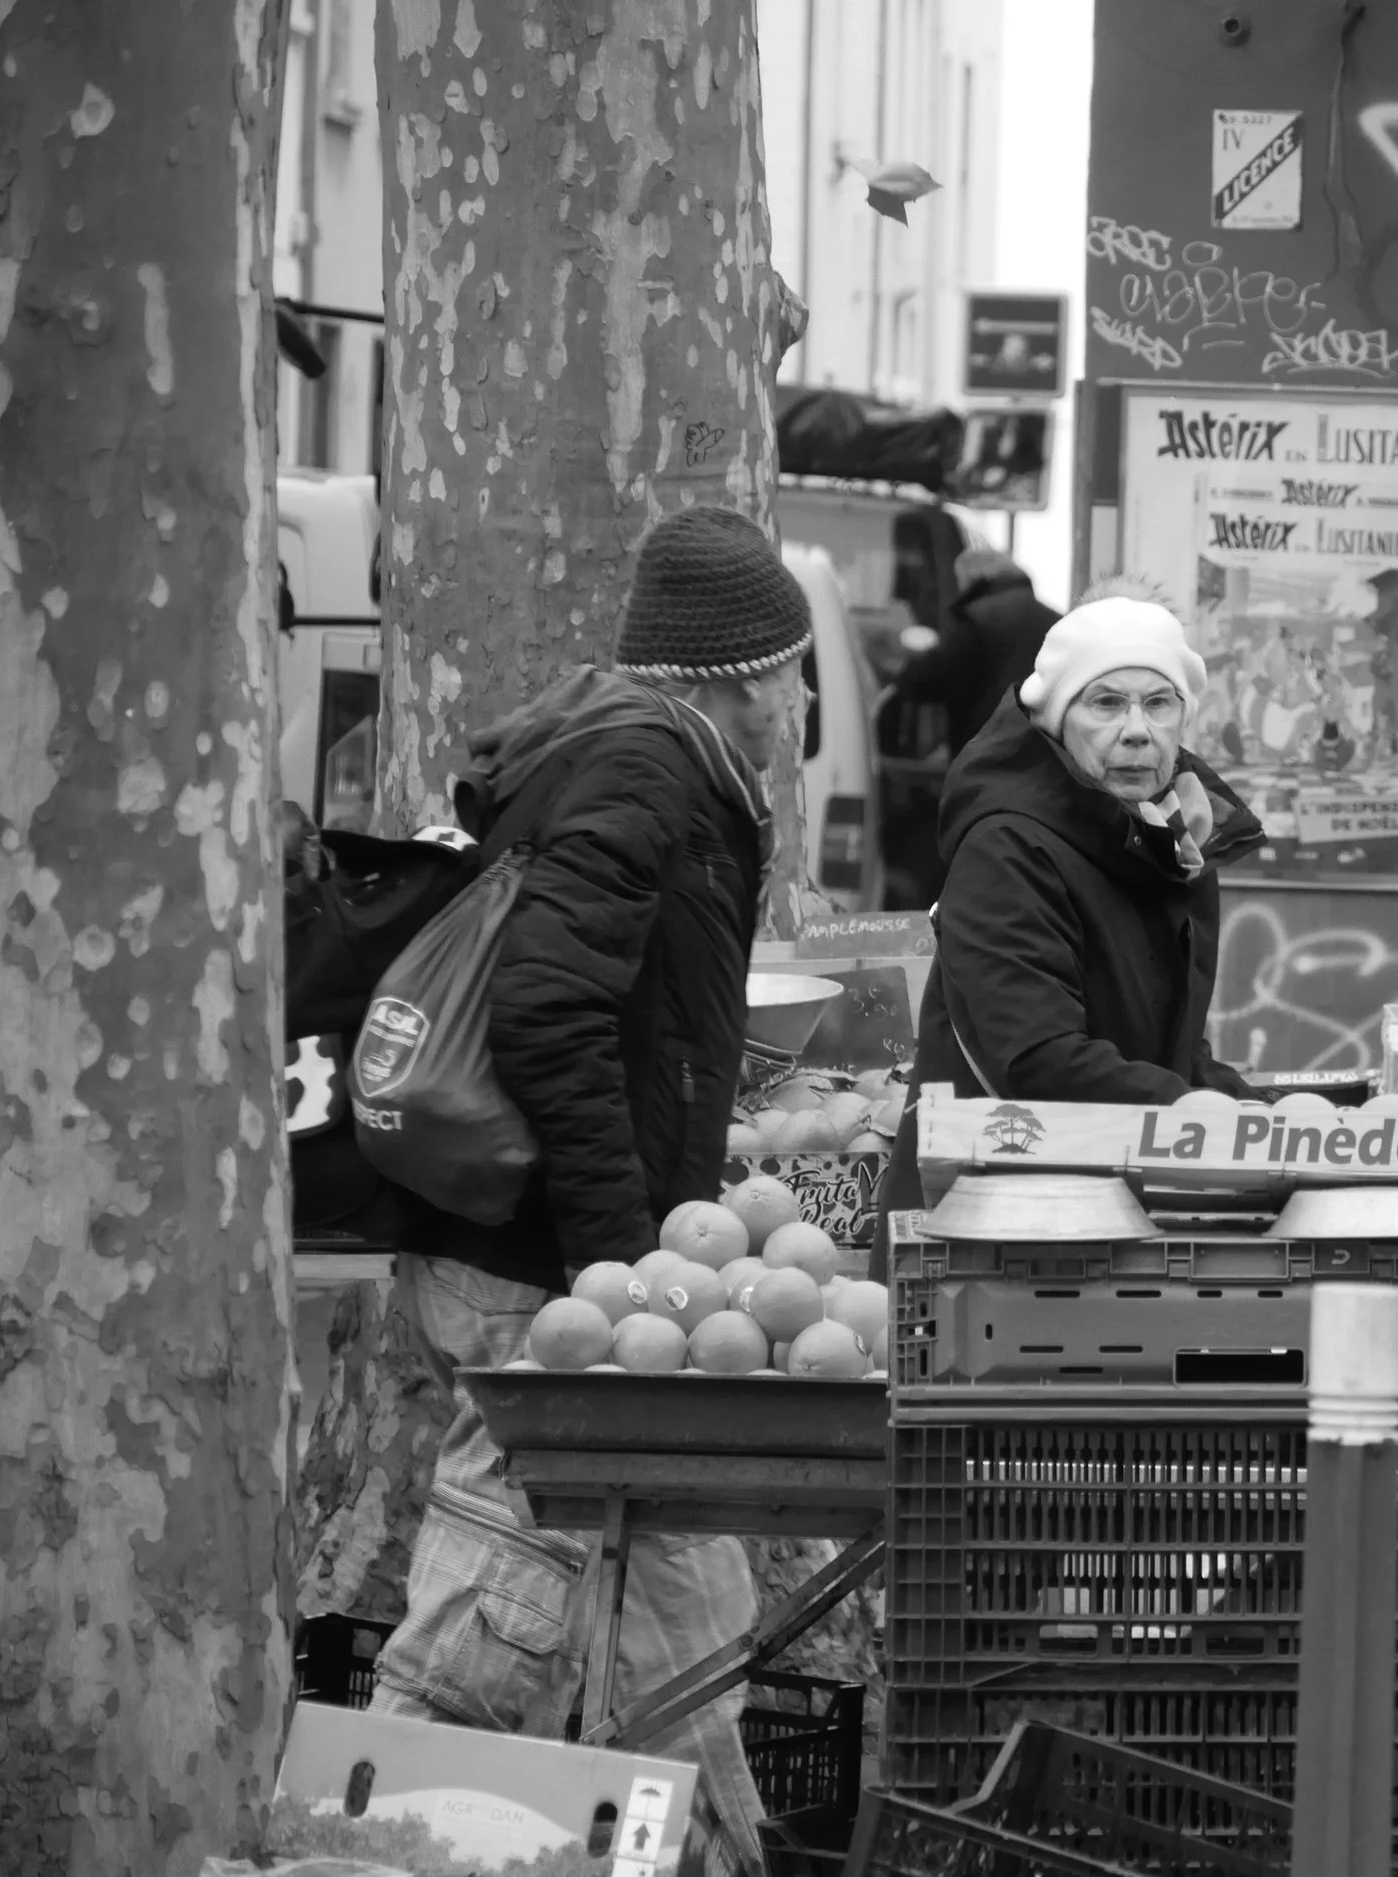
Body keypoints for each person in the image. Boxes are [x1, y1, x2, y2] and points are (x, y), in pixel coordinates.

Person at [369, 506, 806, 1877]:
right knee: (496, 1603)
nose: (797, 702)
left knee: (680, 1590)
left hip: (554, 1255)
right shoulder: (645, 767)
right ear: (745, 678)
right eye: (792, 672)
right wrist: (619, 1261)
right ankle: (374, 1843)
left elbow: (624, 1008)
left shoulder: (630, 750)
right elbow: (550, 1009)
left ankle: (717, 1853)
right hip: (543, 1268)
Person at [875, 590, 1264, 1254]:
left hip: (1110, 1211)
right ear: (1057, 721)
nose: (1137, 729)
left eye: (1159, 703)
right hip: (978, 1225)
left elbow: (1168, 1048)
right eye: (1106, 703)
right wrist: (1200, 1112)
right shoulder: (1006, 849)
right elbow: (1038, 1058)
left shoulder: (1174, 843)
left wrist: (1260, 1112)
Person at [892, 544, 1060, 759]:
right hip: (1042, 749)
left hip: (988, 747)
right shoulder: (1055, 621)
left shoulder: (977, 618)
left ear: (971, 579)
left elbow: (939, 675)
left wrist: (906, 675)